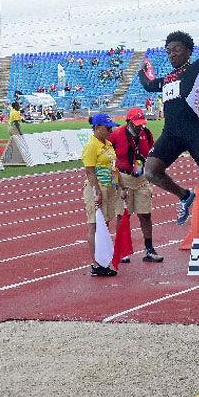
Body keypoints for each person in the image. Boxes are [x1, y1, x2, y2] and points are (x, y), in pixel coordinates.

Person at [138, 2, 199, 226]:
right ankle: (184, 196)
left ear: (188, 51)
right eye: (168, 51)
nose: (171, 54)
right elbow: (147, 85)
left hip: (193, 131)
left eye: (176, 49)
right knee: (151, 171)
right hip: (171, 133)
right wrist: (140, 71)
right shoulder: (165, 80)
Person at [108, 108, 163, 263]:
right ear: (128, 122)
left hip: (141, 179)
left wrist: (152, 177)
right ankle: (122, 249)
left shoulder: (147, 134)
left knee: (146, 214)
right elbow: (108, 161)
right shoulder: (117, 135)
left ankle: (149, 249)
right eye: (136, 124)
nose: (140, 127)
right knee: (122, 216)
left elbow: (152, 155)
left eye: (141, 124)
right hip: (123, 179)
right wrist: (116, 184)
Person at [82, 113, 126, 277]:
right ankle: (96, 264)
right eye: (108, 128)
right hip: (97, 189)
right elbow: (89, 171)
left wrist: (122, 186)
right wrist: (97, 191)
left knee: (104, 224)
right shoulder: (92, 146)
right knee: (94, 225)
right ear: (97, 128)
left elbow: (114, 168)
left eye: (111, 128)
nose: (111, 130)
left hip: (109, 187)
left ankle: (102, 259)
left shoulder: (107, 144)